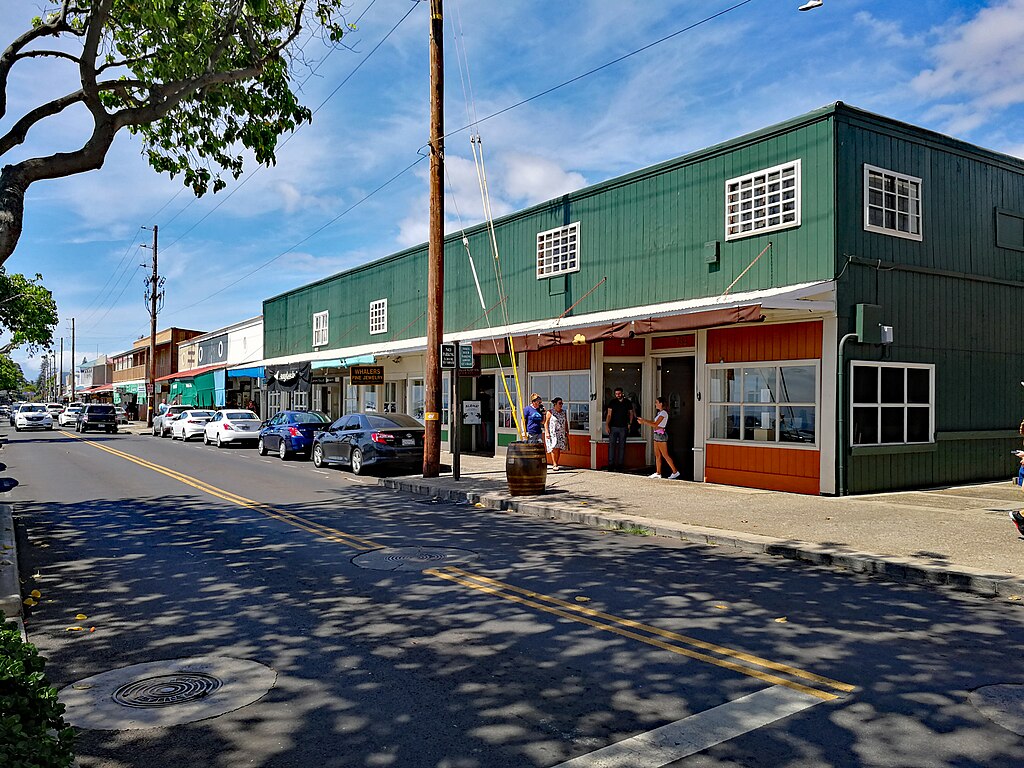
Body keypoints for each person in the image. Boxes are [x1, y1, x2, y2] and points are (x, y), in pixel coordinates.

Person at [636, 397, 681, 479]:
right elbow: (654, 424)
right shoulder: (660, 413)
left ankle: (675, 471)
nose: (655, 404)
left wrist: (644, 421)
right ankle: (658, 472)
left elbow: (655, 424)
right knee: (657, 455)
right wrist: (644, 421)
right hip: (657, 434)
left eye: (656, 402)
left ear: (661, 404)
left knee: (665, 455)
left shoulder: (664, 413)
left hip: (661, 435)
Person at [604, 387, 634, 470]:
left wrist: (630, 423)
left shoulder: (627, 402)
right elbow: (609, 414)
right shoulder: (612, 402)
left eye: (619, 393)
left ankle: (620, 464)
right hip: (613, 427)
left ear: (622, 393)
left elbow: (631, 413)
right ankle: (611, 464)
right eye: (616, 394)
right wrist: (607, 425)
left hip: (624, 426)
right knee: (611, 446)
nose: (618, 395)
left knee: (622, 446)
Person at [544, 397, 569, 471]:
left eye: (562, 403)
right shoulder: (550, 412)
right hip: (553, 433)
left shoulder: (563, 412)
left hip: (561, 432)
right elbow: (546, 423)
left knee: (558, 448)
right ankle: (554, 464)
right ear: (555, 404)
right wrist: (547, 432)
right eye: (560, 403)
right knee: (554, 448)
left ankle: (557, 462)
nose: (561, 405)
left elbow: (566, 422)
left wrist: (567, 431)